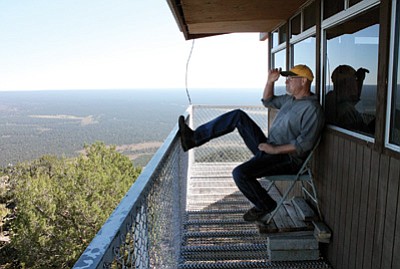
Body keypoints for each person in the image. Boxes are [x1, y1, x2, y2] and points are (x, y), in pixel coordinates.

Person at [178, 64, 325, 222]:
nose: (287, 81)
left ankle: (265, 205)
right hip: (269, 147)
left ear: (303, 81)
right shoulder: (290, 100)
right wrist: (270, 82)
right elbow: (268, 101)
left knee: (240, 173)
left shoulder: (312, 109)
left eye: (291, 78)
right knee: (238, 116)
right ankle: (194, 138)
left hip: (287, 158)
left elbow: (305, 144)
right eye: (287, 78)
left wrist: (274, 150)